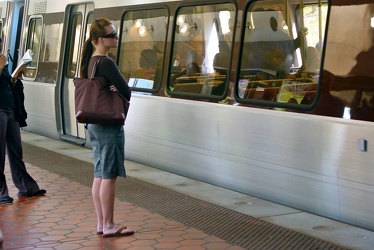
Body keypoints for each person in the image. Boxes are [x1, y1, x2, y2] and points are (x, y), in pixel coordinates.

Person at [79, 18, 133, 237]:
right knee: (109, 175)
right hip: (108, 125)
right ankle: (110, 224)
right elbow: (126, 91)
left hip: (94, 124)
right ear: (100, 39)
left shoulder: (91, 61)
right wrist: (116, 88)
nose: (116, 38)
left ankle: (102, 223)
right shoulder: (106, 62)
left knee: (99, 174)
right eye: (112, 35)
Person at [0, 38, 46, 203]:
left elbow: (6, 83)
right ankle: (1, 192)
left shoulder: (2, 60)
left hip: (10, 108)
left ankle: (26, 187)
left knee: (15, 151)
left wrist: (14, 77)